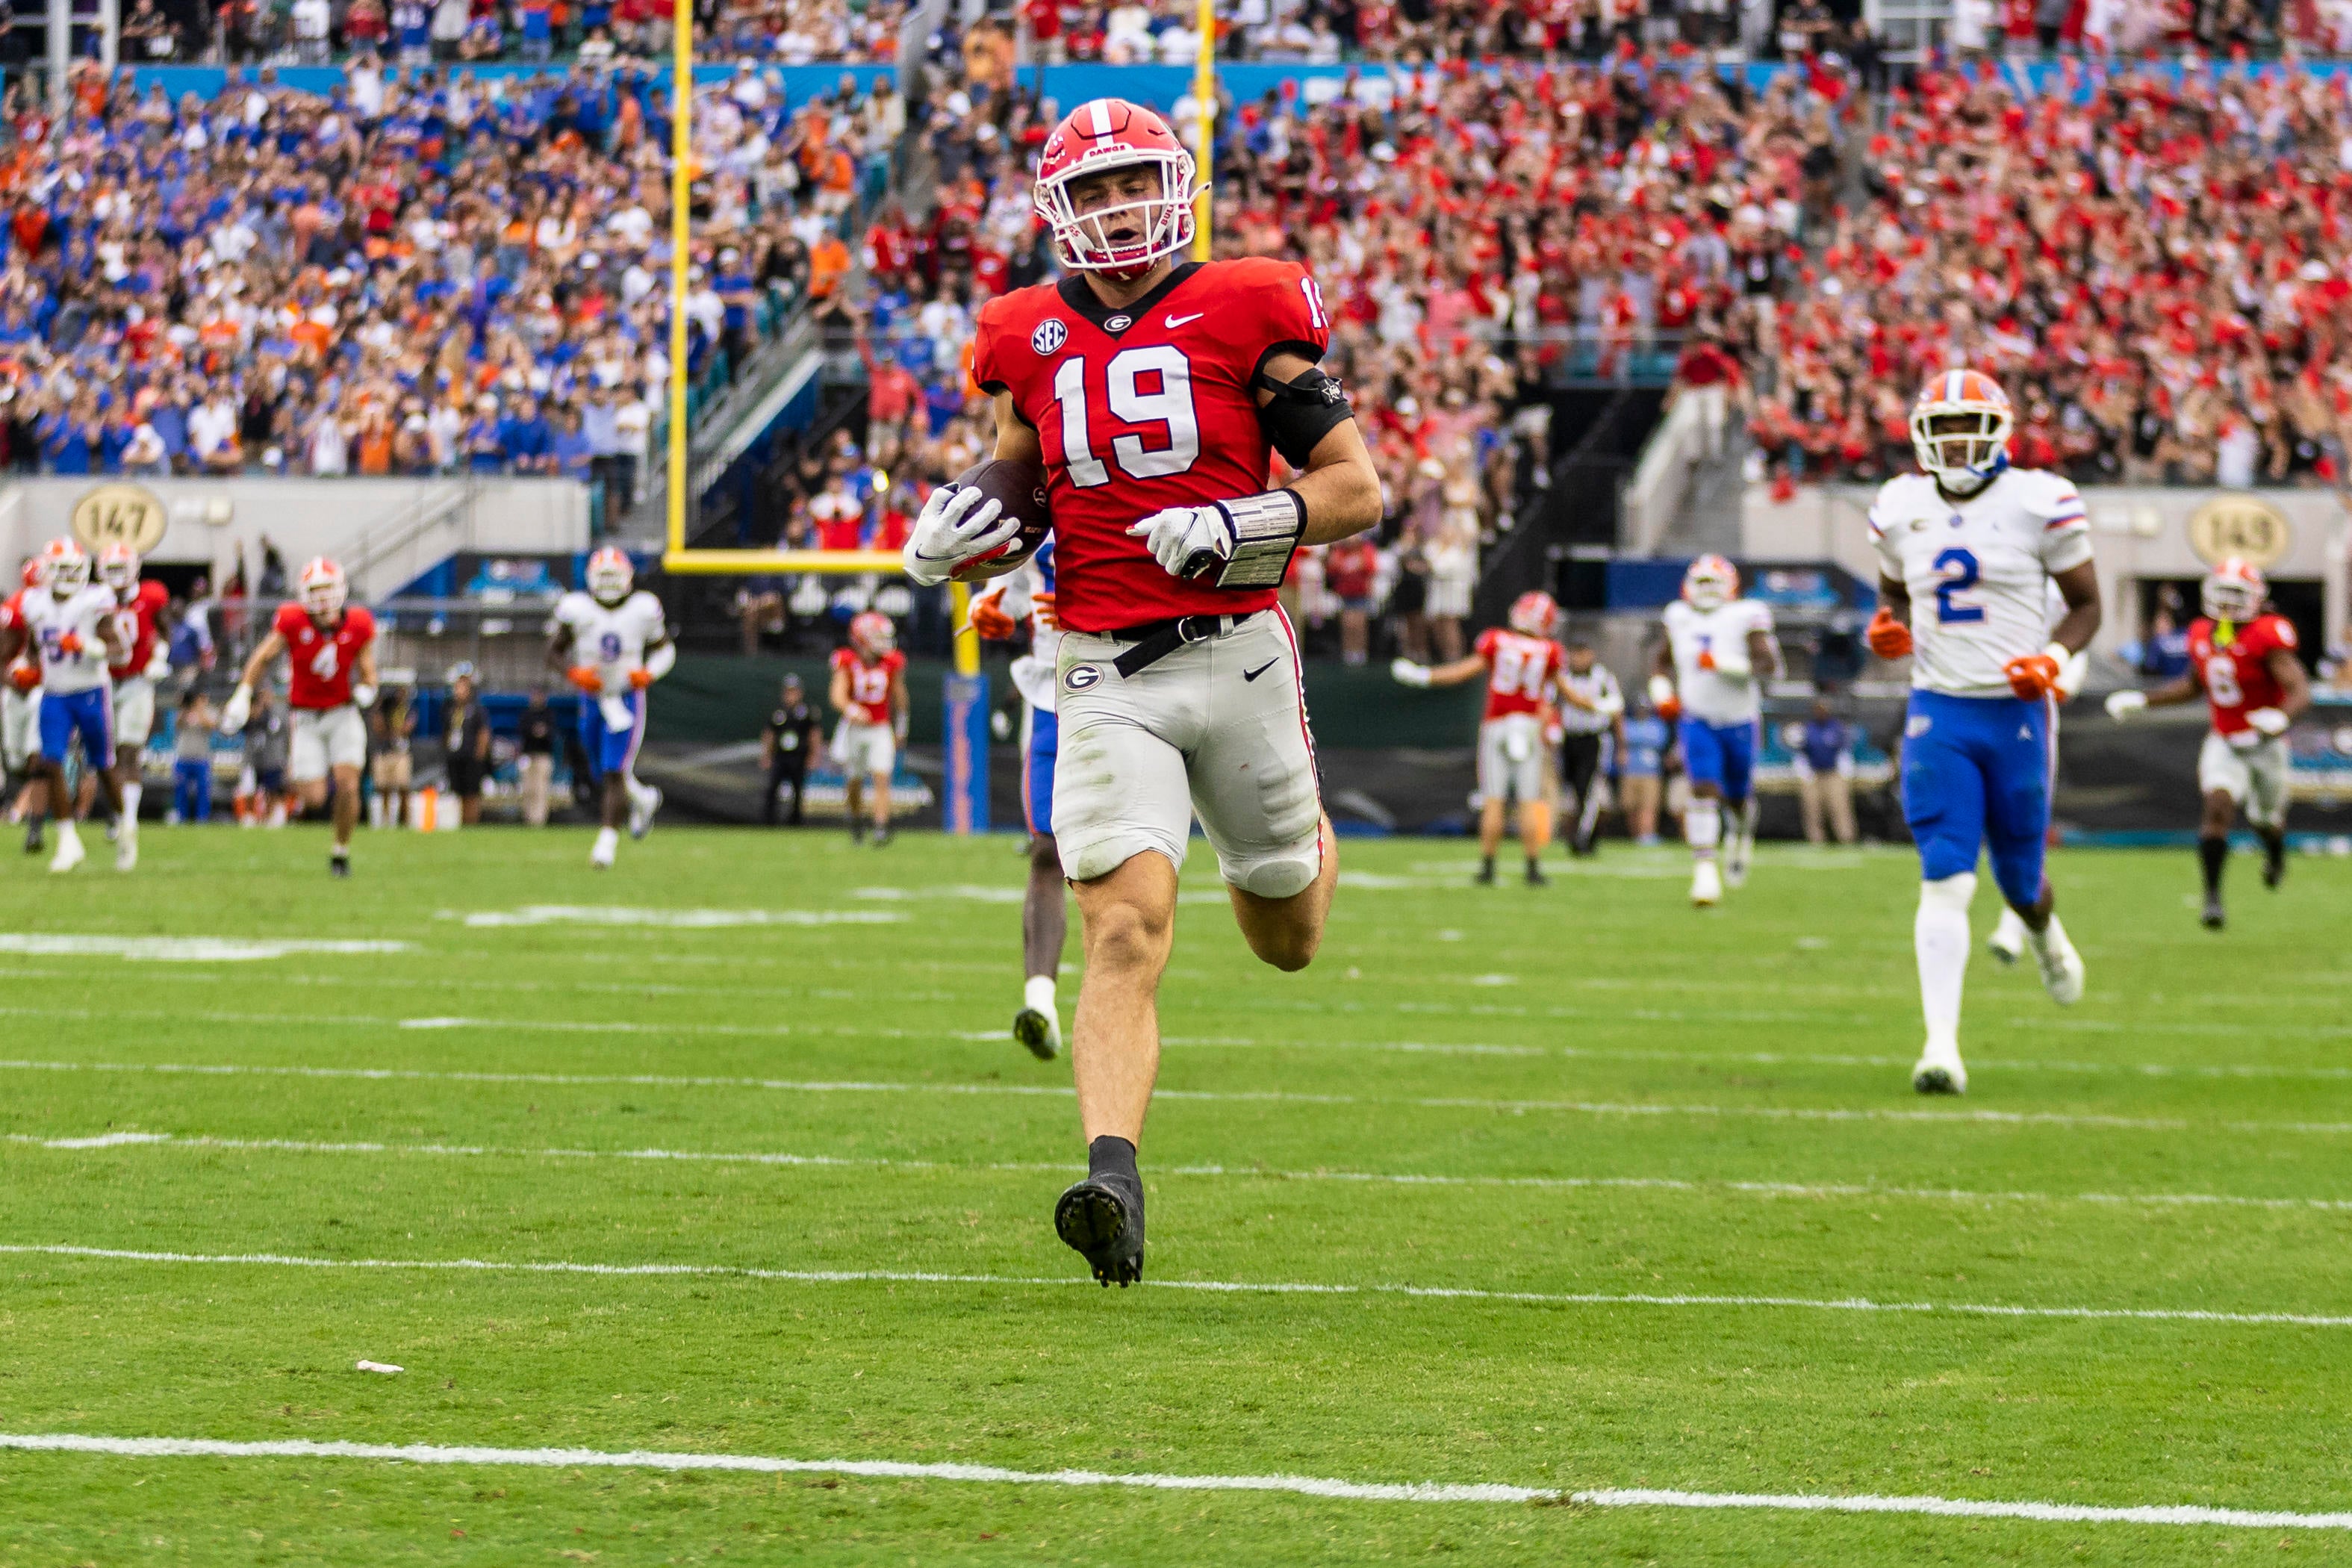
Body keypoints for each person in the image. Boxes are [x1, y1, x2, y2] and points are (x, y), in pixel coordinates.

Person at [910, 98, 1381, 1286]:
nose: (1118, 209)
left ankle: (1295, 830)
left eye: (1134, 184)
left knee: (1285, 934)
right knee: (1122, 927)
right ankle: (1110, 1177)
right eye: (1095, 191)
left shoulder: (1246, 304)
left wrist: (1241, 519)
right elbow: (1022, 480)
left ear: (1172, 190)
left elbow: (1354, 487)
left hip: (1237, 652)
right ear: (1057, 212)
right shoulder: (1019, 334)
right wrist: (958, 530)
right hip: (1100, 666)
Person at [1865, 368, 2100, 1096]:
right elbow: (1893, 592)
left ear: (1998, 432)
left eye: (1970, 428)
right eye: (1944, 430)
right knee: (1946, 875)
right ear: (1922, 438)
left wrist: (2054, 659)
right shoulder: (1899, 506)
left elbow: (2088, 604)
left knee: (2020, 879)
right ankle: (1941, 1047)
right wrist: (1887, 627)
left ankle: (2044, 934)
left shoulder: (2040, 500)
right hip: (1940, 711)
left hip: (2018, 711)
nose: (1958, 443)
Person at [2106, 558, 2310, 929]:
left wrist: (2281, 717)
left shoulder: (2268, 632)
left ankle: (2275, 855)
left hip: (2265, 744)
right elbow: (2191, 686)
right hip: (2225, 739)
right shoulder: (2201, 632)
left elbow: (2299, 690)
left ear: (2256, 597)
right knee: (2217, 808)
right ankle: (2212, 898)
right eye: (2223, 594)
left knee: (2266, 820)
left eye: (2238, 595)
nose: (2229, 604)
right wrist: (2144, 700)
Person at [1392, 590, 1570, 886]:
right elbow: (1558, 693)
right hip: (1526, 727)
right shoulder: (1549, 650)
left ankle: (1488, 867)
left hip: (1497, 725)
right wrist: (1592, 707)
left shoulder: (1497, 640)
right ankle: (1532, 868)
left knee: (1494, 801)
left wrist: (1425, 677)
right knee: (1528, 800)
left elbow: (1463, 672)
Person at [971, 538, 1068, 1058]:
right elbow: (1007, 590)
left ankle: (1118, 1009)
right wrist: (985, 604)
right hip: (1054, 695)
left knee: (1129, 867)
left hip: (1133, 689)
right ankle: (1041, 1003)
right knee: (1046, 850)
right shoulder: (1033, 489)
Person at [221, 557, 377, 877]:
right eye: (315, 591)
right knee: (315, 797)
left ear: (340, 590)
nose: (321, 598)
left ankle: (340, 851)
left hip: (342, 713)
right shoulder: (292, 620)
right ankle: (296, 782)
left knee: (348, 785)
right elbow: (263, 656)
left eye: (327, 589)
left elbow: (369, 671)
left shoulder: (359, 623)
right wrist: (243, 693)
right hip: (305, 718)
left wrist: (367, 689)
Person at [1652, 555, 1779, 907]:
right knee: (1703, 789)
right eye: (1701, 583)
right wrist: (1662, 694)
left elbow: (1770, 667)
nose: (1707, 591)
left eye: (1714, 583)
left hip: (1739, 720)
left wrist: (1723, 665)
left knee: (1737, 797)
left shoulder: (1746, 615)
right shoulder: (1678, 616)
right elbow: (1661, 665)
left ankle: (1739, 834)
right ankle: (1705, 873)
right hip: (1698, 718)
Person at [0, 539, 127, 873]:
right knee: (50, 761)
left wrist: (87, 644)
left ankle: (124, 822)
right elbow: (31, 648)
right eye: (63, 569)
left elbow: (118, 650)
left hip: (90, 691)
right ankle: (68, 841)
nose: (70, 576)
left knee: (103, 764)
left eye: (75, 569)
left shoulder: (94, 600)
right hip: (55, 693)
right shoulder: (33, 603)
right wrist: (24, 667)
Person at [550, 547, 671, 867]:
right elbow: (554, 653)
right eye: (602, 576)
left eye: (612, 576)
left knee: (614, 770)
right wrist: (574, 673)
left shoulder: (643, 608)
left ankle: (606, 843)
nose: (607, 583)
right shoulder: (576, 608)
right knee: (601, 769)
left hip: (626, 697)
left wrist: (649, 673)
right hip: (592, 699)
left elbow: (664, 650)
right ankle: (643, 799)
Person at [96, 542, 171, 866]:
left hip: (138, 680)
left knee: (129, 751)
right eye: (110, 569)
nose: (116, 577)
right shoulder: (95, 600)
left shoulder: (152, 596)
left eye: (120, 568)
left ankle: (129, 822)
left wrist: (160, 656)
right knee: (106, 756)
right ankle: (118, 810)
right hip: (102, 681)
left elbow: (167, 631)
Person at [828, 611, 907, 846]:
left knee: (882, 776)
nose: (884, 642)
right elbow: (837, 695)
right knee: (854, 780)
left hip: (880, 727)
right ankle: (855, 819)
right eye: (878, 636)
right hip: (854, 728)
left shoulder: (892, 662)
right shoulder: (847, 660)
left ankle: (881, 827)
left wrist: (901, 727)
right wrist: (851, 710)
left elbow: (900, 698)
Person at [1555, 638, 1626, 856]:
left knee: (1589, 788)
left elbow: (1616, 710)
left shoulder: (1603, 677)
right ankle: (1580, 835)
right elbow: (1550, 705)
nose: (1578, 659)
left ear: (1591, 654)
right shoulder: (1563, 676)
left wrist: (1622, 745)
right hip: (1570, 738)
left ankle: (1583, 839)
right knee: (1574, 788)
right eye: (1575, 654)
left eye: (1582, 653)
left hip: (1594, 739)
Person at [3, 555, 49, 849]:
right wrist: (13, 680)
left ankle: (34, 828)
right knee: (16, 760)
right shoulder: (15, 609)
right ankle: (16, 807)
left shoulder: (63, 608)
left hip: (45, 688)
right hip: (17, 689)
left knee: (38, 758)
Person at [1793, 697, 1858, 845]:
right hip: (1814, 774)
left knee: (1839, 807)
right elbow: (1802, 752)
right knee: (1812, 809)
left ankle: (1846, 839)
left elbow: (1844, 751)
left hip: (1833, 773)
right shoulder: (1808, 728)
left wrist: (1845, 773)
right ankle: (1816, 840)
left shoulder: (1836, 728)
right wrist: (1804, 773)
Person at [760, 673, 819, 827]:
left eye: (794, 691)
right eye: (788, 692)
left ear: (800, 693)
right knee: (773, 787)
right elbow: (769, 734)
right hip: (780, 756)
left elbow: (814, 734)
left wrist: (813, 756)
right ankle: (769, 820)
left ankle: (795, 821)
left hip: (798, 757)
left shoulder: (806, 712)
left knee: (797, 790)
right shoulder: (778, 712)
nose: (791, 695)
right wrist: (766, 755)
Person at [442, 669, 491, 827]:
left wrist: (480, 754)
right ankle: (459, 822)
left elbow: (483, 732)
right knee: (457, 792)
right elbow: (447, 731)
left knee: (472, 793)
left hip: (471, 756)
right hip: (455, 755)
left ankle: (471, 823)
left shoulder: (476, 709)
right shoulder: (450, 709)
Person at [1620, 697, 1669, 845]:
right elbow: (1624, 737)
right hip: (1630, 771)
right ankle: (1635, 835)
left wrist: (1635, 740)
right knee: (1630, 806)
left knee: (1648, 805)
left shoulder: (1657, 725)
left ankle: (1647, 834)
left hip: (1650, 772)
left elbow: (1659, 740)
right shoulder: (1628, 724)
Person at [368, 679, 416, 827]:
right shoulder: (382, 709)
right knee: (384, 789)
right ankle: (386, 821)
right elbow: (378, 728)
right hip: (384, 751)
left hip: (400, 752)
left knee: (403, 788)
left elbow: (407, 728)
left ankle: (404, 822)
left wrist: (396, 728)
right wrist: (380, 706)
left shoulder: (407, 709)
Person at [172, 689, 217, 823]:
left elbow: (210, 726)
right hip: (183, 757)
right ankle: (182, 818)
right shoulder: (184, 712)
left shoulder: (209, 712)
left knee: (203, 790)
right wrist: (185, 707)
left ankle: (202, 819)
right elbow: (177, 724)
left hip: (201, 758)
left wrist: (199, 709)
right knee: (181, 790)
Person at [517, 686, 557, 827]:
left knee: (541, 788)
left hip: (543, 756)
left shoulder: (548, 714)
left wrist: (543, 732)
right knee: (528, 788)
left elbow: (552, 733)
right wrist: (533, 731)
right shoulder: (527, 714)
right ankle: (528, 817)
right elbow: (522, 731)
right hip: (528, 755)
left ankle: (539, 819)